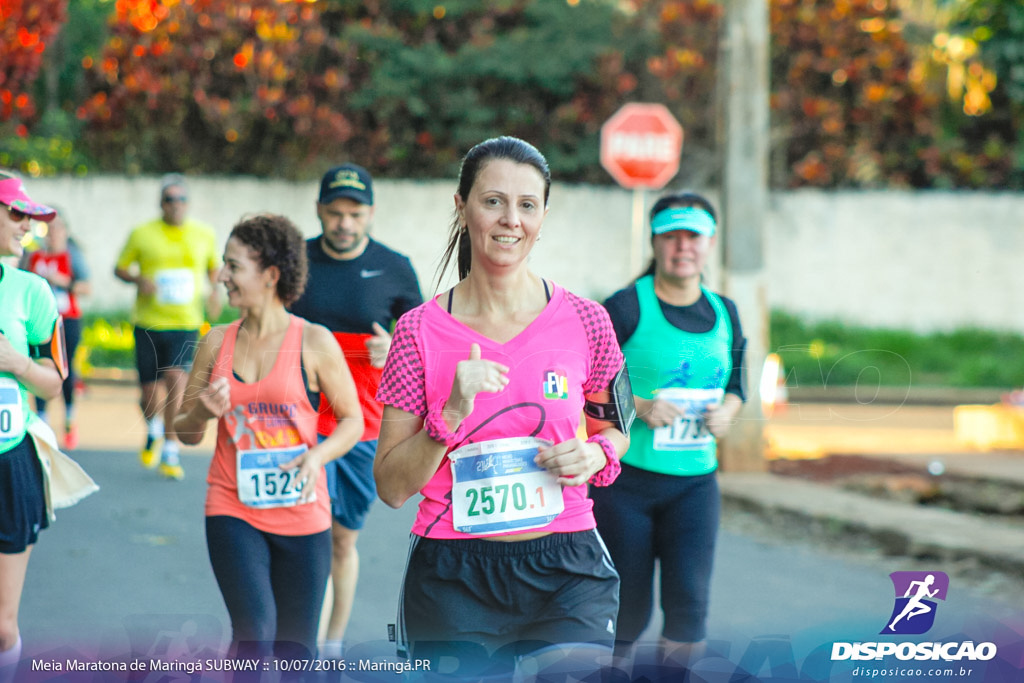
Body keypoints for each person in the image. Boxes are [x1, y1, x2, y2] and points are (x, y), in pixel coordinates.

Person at [374, 136, 630, 679]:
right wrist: (447, 416)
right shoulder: (416, 331)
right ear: (462, 205)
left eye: (527, 205)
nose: (510, 219)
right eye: (493, 201)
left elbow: (615, 430)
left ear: (542, 216)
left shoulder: (588, 322)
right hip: (453, 575)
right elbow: (393, 487)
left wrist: (595, 453)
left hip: (567, 564)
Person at [173, 214, 363, 661]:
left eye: (233, 267)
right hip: (232, 506)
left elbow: (353, 420)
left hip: (302, 511)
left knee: (295, 652)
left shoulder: (314, 341)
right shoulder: (215, 342)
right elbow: (185, 431)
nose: (221, 277)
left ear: (271, 275)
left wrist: (318, 456)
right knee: (254, 632)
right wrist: (201, 409)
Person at [591, 192, 747, 670]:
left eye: (693, 237)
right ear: (655, 241)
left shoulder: (725, 312)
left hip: (696, 486)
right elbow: (583, 383)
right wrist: (636, 405)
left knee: (689, 610)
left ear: (710, 242)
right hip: (627, 486)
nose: (683, 247)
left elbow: (738, 385)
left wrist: (730, 412)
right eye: (672, 236)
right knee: (628, 613)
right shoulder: (623, 307)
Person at [288, 163, 422, 655]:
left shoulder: (394, 266)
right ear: (320, 210)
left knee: (341, 541)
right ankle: (297, 643)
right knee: (302, 540)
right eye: (335, 212)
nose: (345, 223)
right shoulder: (294, 260)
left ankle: (332, 645)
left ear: (370, 214)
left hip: (361, 428)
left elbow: (422, 345)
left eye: (355, 213)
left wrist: (398, 351)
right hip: (292, 423)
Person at [0, 172, 68, 680]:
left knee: (2, 627)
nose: (27, 226)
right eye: (16, 214)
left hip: (10, 462)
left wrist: (17, 364)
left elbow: (54, 383)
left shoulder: (33, 291)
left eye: (30, 217)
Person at [114, 174, 221, 480]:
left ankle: (171, 451)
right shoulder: (142, 234)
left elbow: (213, 269)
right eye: (170, 200)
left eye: (181, 199)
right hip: (148, 322)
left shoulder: (204, 234)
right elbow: (119, 268)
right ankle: (153, 428)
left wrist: (215, 292)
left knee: (177, 381)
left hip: (186, 322)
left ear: (188, 204)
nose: (176, 205)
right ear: (161, 204)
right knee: (150, 393)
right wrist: (137, 280)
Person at [19, 209, 91, 449]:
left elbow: (86, 288)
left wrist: (65, 282)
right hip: (39, 321)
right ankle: (42, 421)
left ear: (65, 231)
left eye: (57, 228)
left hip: (67, 320)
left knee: (65, 367)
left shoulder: (73, 256)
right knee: (40, 367)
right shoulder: (33, 256)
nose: (52, 233)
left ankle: (69, 419)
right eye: (48, 229)